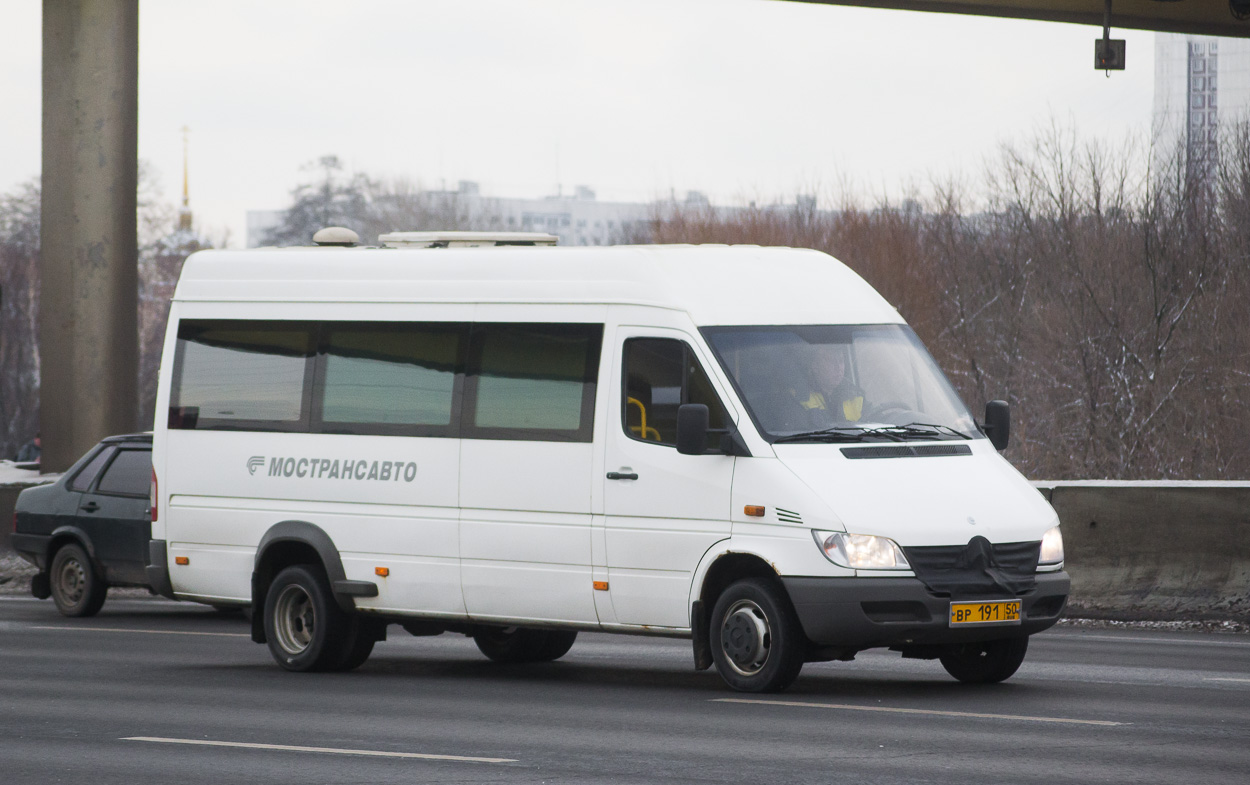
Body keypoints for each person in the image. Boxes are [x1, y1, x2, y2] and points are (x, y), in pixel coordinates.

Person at [798, 348, 864, 422]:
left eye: (841, 361)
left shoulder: (855, 395)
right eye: (831, 361)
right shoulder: (799, 397)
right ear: (815, 366)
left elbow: (872, 420)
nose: (838, 368)